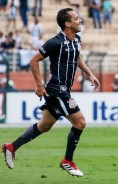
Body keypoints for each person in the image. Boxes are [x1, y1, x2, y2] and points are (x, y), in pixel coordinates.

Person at [2, 8, 100, 177]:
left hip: (61, 91)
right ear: (67, 23)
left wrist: (89, 74)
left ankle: (11, 147)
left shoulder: (76, 39)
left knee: (44, 126)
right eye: (76, 18)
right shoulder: (55, 42)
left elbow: (76, 57)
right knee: (80, 122)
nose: (80, 20)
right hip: (57, 91)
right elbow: (34, 60)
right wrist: (39, 85)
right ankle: (67, 161)